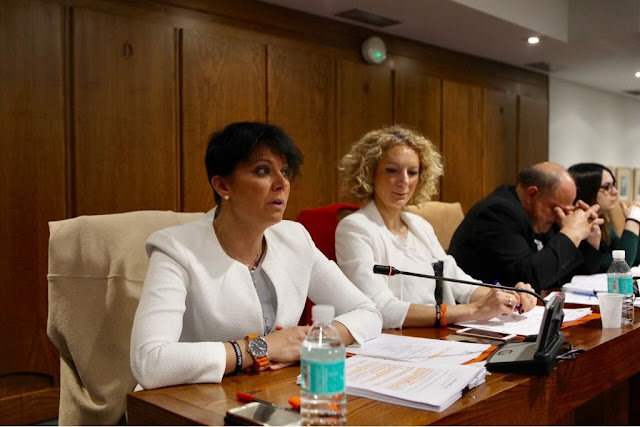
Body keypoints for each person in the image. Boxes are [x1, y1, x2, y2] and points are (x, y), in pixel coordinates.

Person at [130, 122, 382, 389]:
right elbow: (149, 362)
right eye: (263, 170)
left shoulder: (295, 238)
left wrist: (312, 340)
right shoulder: (176, 249)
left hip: (269, 393)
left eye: (284, 171)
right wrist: (259, 349)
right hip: (191, 402)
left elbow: (367, 312)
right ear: (223, 185)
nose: (282, 183)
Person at [335, 125, 537, 330]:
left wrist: (511, 296)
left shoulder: (420, 226)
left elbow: (461, 285)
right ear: (370, 173)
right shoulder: (354, 228)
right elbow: (379, 308)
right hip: (393, 341)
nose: (404, 181)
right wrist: (473, 311)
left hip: (437, 338)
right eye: (392, 170)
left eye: (412, 172)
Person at [449, 162, 604, 292]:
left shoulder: (542, 213)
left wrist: (589, 241)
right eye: (556, 208)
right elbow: (527, 280)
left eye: (565, 210)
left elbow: (564, 275)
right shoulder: (497, 213)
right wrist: (571, 233)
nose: (560, 216)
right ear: (532, 195)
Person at [568, 162, 640, 270]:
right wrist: (633, 220)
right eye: (607, 187)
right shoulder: (575, 222)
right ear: (588, 190)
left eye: (613, 185)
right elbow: (618, 267)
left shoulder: (602, 220)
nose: (615, 192)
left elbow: (633, 260)